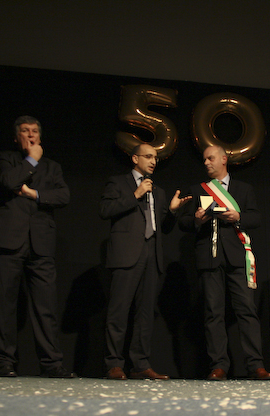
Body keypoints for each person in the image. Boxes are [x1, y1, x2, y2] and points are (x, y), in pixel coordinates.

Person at [0, 116, 75, 378]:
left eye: (34, 131)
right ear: (16, 137)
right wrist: (31, 160)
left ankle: (52, 364)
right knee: (3, 304)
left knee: (46, 306)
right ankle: (4, 362)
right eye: (25, 131)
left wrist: (34, 194)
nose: (31, 135)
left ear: (40, 137)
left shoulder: (52, 167)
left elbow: (63, 195)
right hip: (6, 240)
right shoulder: (5, 159)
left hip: (41, 243)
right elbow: (9, 181)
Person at [178, 145, 270, 381]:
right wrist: (196, 220)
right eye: (204, 159)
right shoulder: (197, 189)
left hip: (237, 256)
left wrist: (238, 216)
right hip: (209, 257)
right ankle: (219, 365)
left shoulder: (243, 189)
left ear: (223, 159)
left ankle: (255, 365)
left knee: (247, 311)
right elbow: (183, 222)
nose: (206, 163)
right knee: (213, 313)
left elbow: (256, 217)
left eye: (210, 158)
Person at [100, 143, 191, 380]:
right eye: (148, 156)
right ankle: (114, 363)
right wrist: (135, 195)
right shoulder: (118, 183)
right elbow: (105, 209)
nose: (153, 161)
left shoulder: (158, 191)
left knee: (145, 313)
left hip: (152, 255)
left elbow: (164, 227)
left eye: (155, 158)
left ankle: (140, 364)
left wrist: (173, 211)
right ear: (135, 159)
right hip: (126, 254)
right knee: (119, 311)